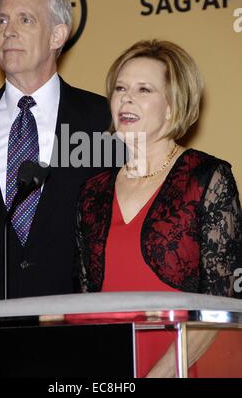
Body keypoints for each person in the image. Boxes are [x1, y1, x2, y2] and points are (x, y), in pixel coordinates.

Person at [75, 39, 242, 377]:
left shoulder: (206, 178)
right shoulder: (92, 192)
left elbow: (224, 303)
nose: (126, 97)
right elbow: (84, 305)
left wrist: (160, 374)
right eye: (120, 88)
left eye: (144, 89)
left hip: (190, 363)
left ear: (172, 106)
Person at [0, 0, 112, 301]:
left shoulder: (105, 122)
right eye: (2, 20)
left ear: (57, 36)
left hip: (80, 331)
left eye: (25, 19)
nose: (9, 31)